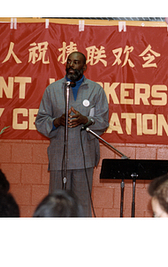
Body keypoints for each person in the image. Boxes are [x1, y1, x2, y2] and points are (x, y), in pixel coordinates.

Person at [35, 51, 109, 217]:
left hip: (84, 158)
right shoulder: (52, 90)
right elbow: (40, 121)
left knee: (82, 205)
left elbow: (103, 121)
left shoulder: (95, 90)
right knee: (57, 206)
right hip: (59, 157)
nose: (71, 66)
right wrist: (56, 122)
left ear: (84, 67)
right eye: (69, 62)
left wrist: (86, 120)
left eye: (76, 63)